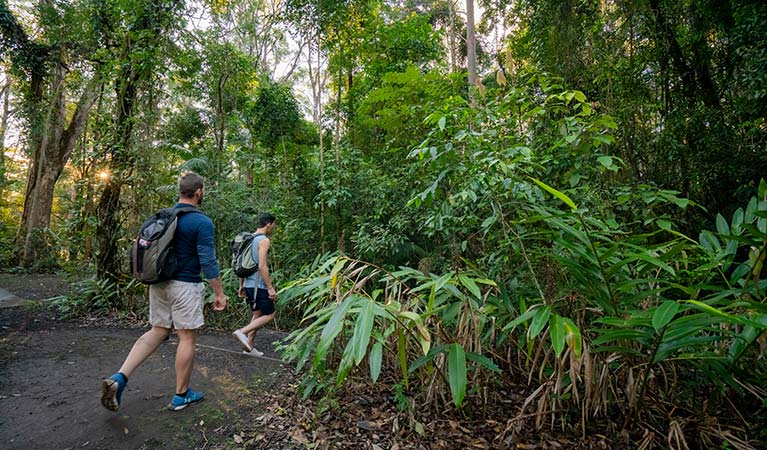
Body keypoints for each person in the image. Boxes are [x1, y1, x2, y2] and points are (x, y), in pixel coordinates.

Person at [101, 171, 228, 412]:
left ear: (180, 191)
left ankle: (120, 378)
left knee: (157, 331)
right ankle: (181, 395)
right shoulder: (201, 222)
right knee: (187, 337)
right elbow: (208, 261)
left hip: (159, 284)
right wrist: (219, 293)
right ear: (199, 191)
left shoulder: (164, 217)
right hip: (185, 286)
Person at [232, 213, 277, 356]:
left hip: (247, 284)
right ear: (268, 224)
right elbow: (262, 266)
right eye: (274, 225)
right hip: (259, 285)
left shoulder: (248, 238)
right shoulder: (263, 240)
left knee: (257, 314)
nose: (274, 228)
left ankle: (249, 347)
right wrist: (270, 288)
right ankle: (242, 332)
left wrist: (241, 285)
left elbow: (242, 264)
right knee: (270, 314)